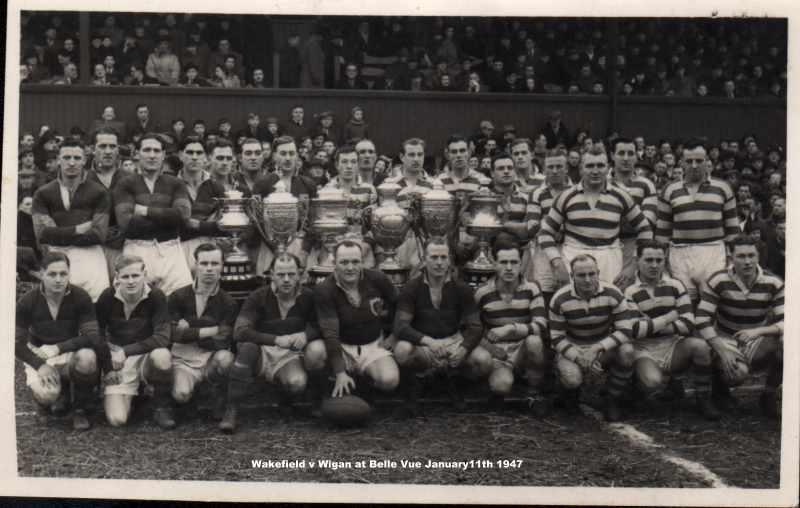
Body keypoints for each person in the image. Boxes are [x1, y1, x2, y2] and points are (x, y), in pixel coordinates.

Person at [223, 253, 326, 432]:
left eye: (291, 274)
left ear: (300, 274)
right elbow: (240, 331)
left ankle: (288, 398)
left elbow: (322, 325)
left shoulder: (309, 296)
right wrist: (275, 339)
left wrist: (305, 335)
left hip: (288, 356)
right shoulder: (258, 296)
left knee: (297, 382)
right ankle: (231, 409)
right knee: (247, 347)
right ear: (271, 274)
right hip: (262, 353)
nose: (286, 280)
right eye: (280, 274)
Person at [393, 238, 491, 415]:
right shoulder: (412, 287)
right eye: (434, 257)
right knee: (401, 350)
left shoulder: (461, 288)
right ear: (424, 259)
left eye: (443, 257)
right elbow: (400, 326)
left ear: (449, 260)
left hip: (453, 341)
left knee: (484, 361)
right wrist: (428, 341)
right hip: (424, 344)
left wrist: (463, 348)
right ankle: (420, 382)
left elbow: (475, 327)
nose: (439, 263)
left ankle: (456, 381)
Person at [625, 240, 720, 420]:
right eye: (649, 260)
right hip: (644, 349)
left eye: (659, 260)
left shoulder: (675, 285)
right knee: (653, 382)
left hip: (672, 346)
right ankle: (635, 388)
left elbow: (688, 324)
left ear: (665, 261)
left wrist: (651, 324)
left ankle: (704, 400)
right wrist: (669, 317)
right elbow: (635, 330)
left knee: (700, 346)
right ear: (638, 260)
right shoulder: (629, 291)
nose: (654, 265)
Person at [15, 252, 109, 430]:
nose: (58, 279)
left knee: (88, 358)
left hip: (68, 352)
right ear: (41, 274)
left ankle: (79, 409)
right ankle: (46, 402)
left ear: (69, 274)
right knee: (48, 394)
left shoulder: (80, 296)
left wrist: (58, 348)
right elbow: (15, 343)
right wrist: (39, 364)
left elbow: (92, 336)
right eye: (52, 274)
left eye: (63, 274)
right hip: (41, 354)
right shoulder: (27, 301)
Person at [538, 145, 652, 289]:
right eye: (590, 166)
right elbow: (545, 233)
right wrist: (557, 262)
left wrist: (633, 266)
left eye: (600, 165)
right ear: (581, 169)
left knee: (609, 305)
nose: (595, 171)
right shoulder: (566, 196)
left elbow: (645, 229)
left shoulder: (621, 196)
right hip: (573, 257)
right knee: (575, 307)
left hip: (609, 259)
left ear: (608, 168)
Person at [695, 235, 784, 418]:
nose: (747, 261)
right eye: (741, 256)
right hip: (726, 337)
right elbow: (702, 318)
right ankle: (719, 389)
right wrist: (722, 350)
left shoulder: (773, 282)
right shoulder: (718, 280)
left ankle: (768, 394)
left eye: (751, 256)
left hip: (756, 338)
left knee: (789, 343)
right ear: (731, 257)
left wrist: (759, 331)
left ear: (758, 257)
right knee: (736, 375)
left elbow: (789, 320)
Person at [549, 255, 635, 421]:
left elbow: (625, 330)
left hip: (602, 345)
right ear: (572, 276)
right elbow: (556, 337)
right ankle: (568, 395)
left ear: (598, 273)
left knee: (627, 351)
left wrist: (597, 348)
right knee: (572, 379)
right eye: (581, 275)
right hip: (574, 346)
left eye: (592, 274)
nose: (588, 280)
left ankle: (613, 398)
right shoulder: (560, 299)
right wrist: (578, 356)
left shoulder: (613, 293)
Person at [655, 140, 740, 305]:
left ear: (707, 162)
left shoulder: (723, 188)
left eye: (699, 161)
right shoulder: (669, 189)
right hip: (680, 253)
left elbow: (733, 230)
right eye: (689, 161)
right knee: (685, 304)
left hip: (713, 251)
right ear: (681, 163)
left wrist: (731, 260)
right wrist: (662, 263)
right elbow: (662, 232)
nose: (694, 165)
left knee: (712, 304)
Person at [313, 240, 400, 399]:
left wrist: (394, 335)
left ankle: (364, 388)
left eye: (355, 262)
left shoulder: (377, 278)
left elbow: (400, 306)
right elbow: (330, 332)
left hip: (372, 344)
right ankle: (323, 391)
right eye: (344, 262)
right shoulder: (324, 289)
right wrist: (339, 372)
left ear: (362, 261)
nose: (350, 267)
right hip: (342, 347)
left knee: (390, 380)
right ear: (334, 263)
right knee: (315, 352)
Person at [96, 254, 175, 429]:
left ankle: (162, 405)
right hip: (119, 361)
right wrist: (110, 358)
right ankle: (137, 395)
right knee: (118, 419)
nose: (131, 281)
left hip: (146, 355)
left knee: (162, 356)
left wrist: (125, 351)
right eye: (125, 276)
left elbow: (162, 338)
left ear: (144, 274)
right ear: (117, 277)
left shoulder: (156, 296)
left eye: (135, 276)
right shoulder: (107, 296)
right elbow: (96, 333)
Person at [474, 240, 550, 413]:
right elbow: (472, 329)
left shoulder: (531, 288)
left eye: (514, 262)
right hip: (497, 352)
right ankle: (494, 386)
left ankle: (533, 393)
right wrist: (491, 349)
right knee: (501, 386)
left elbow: (541, 324)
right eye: (503, 262)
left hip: (523, 347)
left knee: (535, 342)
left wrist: (511, 328)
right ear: (494, 264)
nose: (509, 268)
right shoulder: (482, 292)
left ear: (521, 263)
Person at [32, 139, 111, 302]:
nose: (72, 162)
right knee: (61, 312)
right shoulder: (43, 193)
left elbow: (99, 235)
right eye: (67, 157)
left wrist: (59, 233)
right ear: (58, 160)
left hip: (91, 257)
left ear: (84, 160)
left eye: (76, 158)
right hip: (57, 259)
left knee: (96, 308)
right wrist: (78, 229)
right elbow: (42, 234)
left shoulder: (99, 192)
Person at [114, 134, 193, 296]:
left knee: (179, 300)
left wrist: (145, 211)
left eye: (157, 151)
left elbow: (183, 216)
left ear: (163, 155)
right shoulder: (125, 183)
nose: (152, 155)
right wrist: (169, 218)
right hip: (136, 249)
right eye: (147, 150)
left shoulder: (175, 183)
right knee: (137, 302)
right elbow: (126, 222)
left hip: (171, 250)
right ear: (137, 153)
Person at [168, 243, 236, 423]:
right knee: (181, 395)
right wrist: (210, 329)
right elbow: (172, 334)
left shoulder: (228, 302)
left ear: (222, 266)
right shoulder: (177, 296)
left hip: (209, 360)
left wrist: (189, 328)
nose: (209, 269)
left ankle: (218, 394)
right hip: (183, 360)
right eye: (204, 263)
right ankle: (190, 397)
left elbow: (223, 339)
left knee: (226, 358)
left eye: (214, 264)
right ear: (195, 265)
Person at [252, 136, 317, 274]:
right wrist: (276, 249)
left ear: (297, 156)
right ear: (274, 155)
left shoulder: (308, 184)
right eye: (283, 153)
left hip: (301, 246)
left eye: (291, 153)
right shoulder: (262, 184)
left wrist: (305, 251)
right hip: (270, 246)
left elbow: (313, 221)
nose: (288, 158)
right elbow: (258, 221)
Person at [311, 145, 377, 268]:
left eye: (353, 162)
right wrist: (333, 250)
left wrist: (364, 247)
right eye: (344, 162)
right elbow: (320, 226)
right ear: (337, 165)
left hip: (362, 252)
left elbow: (374, 226)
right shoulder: (326, 190)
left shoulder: (369, 190)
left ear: (358, 164)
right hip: (332, 252)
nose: (349, 166)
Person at [609, 138, 658, 290]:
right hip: (607, 245)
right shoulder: (602, 182)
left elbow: (647, 223)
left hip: (635, 244)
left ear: (636, 156)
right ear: (612, 155)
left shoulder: (646, 184)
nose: (626, 158)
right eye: (621, 153)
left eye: (630, 153)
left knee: (631, 290)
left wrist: (634, 263)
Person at [526, 149, 572, 304]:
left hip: (570, 247)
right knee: (545, 289)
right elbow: (532, 226)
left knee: (570, 290)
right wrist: (552, 228)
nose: (554, 171)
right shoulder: (537, 193)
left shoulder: (576, 191)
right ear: (544, 169)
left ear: (566, 168)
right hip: (543, 251)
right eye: (550, 167)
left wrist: (551, 224)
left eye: (559, 167)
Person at [178, 138, 225, 272]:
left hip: (210, 250)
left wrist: (196, 224)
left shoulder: (216, 187)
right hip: (179, 250)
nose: (194, 157)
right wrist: (208, 225)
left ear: (205, 157)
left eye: (199, 153)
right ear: (181, 155)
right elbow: (173, 225)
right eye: (190, 152)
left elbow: (223, 226)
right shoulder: (170, 184)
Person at [86, 128, 127, 281]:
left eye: (112, 146)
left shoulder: (130, 179)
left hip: (123, 247)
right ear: (92, 149)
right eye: (102, 146)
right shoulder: (83, 179)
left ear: (118, 149)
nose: (108, 151)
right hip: (91, 247)